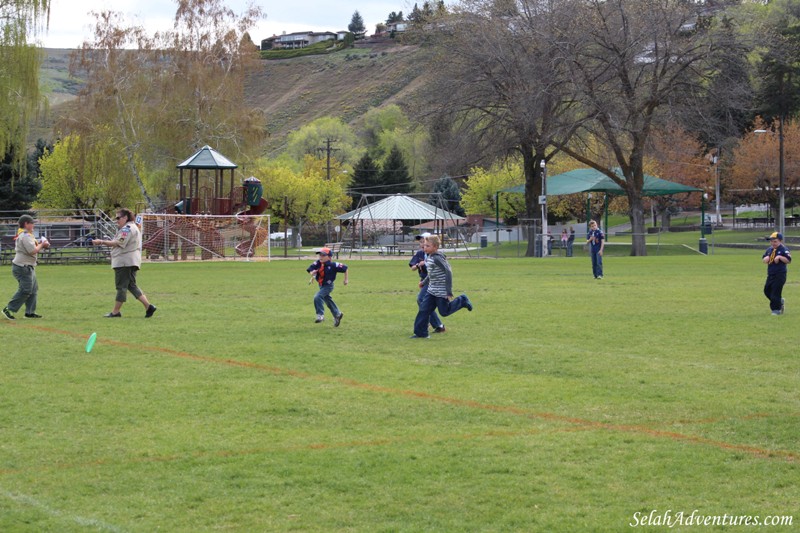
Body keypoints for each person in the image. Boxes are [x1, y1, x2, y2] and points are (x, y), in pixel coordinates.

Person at [92, 208, 157, 318]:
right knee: (131, 286)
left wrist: (101, 242)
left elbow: (118, 243)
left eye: (118, 218)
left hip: (124, 262)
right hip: (130, 261)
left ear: (125, 217)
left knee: (121, 287)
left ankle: (115, 312)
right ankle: (148, 307)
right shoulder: (132, 227)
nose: (116, 220)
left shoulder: (127, 228)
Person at [412, 235, 473, 338]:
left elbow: (448, 271)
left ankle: (462, 300)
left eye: (427, 246)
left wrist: (448, 292)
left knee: (444, 312)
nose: (424, 247)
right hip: (431, 291)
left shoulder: (437, 258)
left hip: (441, 291)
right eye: (424, 245)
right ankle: (421, 333)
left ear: (435, 247)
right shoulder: (430, 257)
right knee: (424, 309)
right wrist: (424, 282)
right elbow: (432, 274)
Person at [3, 215, 50, 320]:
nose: (33, 225)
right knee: (25, 290)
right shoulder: (25, 236)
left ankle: (29, 313)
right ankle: (9, 309)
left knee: (33, 290)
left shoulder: (28, 235)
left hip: (28, 266)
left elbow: (33, 249)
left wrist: (43, 245)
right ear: (26, 224)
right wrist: (42, 244)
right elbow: (32, 251)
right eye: (32, 223)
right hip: (22, 267)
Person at [409, 233, 445, 334]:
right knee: (426, 302)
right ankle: (437, 325)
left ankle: (429, 323)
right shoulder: (420, 254)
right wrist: (418, 265)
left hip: (434, 281)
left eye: (424, 242)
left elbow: (445, 270)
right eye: (421, 242)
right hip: (425, 280)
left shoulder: (436, 254)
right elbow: (412, 267)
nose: (422, 244)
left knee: (422, 299)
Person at [307, 247, 348, 326]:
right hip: (321, 285)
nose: (320, 257)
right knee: (327, 300)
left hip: (328, 286)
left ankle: (320, 315)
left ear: (329, 257)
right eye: (320, 255)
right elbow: (310, 269)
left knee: (317, 297)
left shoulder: (333, 265)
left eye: (323, 255)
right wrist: (312, 273)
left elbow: (345, 268)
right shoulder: (318, 263)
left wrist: (346, 280)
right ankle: (337, 314)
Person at [762, 231, 791, 315]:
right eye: (771, 241)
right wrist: (765, 259)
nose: (773, 243)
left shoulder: (783, 249)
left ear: (780, 241)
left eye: (775, 241)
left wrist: (780, 257)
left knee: (775, 291)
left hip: (780, 274)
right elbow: (764, 259)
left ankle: (776, 310)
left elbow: (788, 260)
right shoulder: (769, 250)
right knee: (767, 290)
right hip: (771, 274)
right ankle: (779, 301)